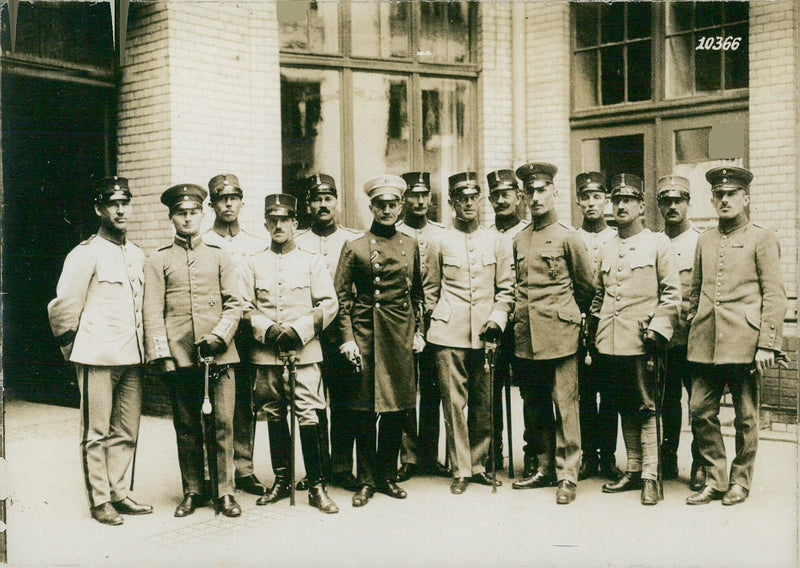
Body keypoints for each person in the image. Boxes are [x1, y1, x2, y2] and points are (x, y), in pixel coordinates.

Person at [48, 176, 153, 526]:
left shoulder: (137, 254)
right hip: (97, 356)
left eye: (125, 203)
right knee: (96, 432)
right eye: (112, 203)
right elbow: (64, 306)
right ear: (99, 209)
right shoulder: (87, 253)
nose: (121, 210)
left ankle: (120, 493)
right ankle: (99, 500)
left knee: (127, 430)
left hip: (131, 357)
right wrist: (75, 350)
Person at [685, 166, 787, 506]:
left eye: (731, 194)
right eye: (719, 195)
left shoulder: (762, 237)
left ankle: (740, 482)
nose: (725, 199)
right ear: (713, 200)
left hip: (745, 343)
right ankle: (715, 477)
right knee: (699, 411)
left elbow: (774, 294)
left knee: (746, 418)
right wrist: (691, 318)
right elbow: (695, 290)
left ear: (746, 198)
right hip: (705, 341)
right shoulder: (705, 239)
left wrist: (767, 344)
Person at [143, 183, 243, 518]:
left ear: (203, 214)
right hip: (180, 357)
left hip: (219, 355)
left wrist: (219, 336)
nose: (187, 219)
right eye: (181, 213)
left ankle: (225, 491)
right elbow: (152, 312)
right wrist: (163, 355)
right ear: (172, 218)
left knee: (222, 424)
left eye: (193, 212)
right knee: (186, 426)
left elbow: (234, 305)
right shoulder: (158, 260)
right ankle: (193, 489)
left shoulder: (218, 255)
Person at [241, 193, 340, 514]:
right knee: (272, 412)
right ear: (266, 223)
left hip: (304, 353)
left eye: (285, 219)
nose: (279, 225)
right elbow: (243, 305)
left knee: (309, 414)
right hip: (267, 354)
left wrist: (297, 330)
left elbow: (328, 304)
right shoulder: (253, 263)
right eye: (273, 219)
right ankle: (282, 480)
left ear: (295, 223)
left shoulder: (312, 261)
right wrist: (268, 329)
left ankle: (316, 485)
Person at [334, 174, 426, 507]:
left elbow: (417, 294)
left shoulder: (410, 244)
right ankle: (366, 479)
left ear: (400, 206)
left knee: (395, 409)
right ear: (371, 207)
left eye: (392, 204)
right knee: (363, 410)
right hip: (366, 335)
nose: (387, 210)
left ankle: (386, 475)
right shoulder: (355, 246)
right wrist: (347, 339)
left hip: (399, 335)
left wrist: (419, 332)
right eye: (381, 205)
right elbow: (340, 298)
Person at [590, 173, 681, 506]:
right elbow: (600, 295)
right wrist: (593, 332)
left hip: (645, 341)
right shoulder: (606, 246)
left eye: (628, 200)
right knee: (623, 405)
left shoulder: (658, 243)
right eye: (617, 200)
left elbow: (672, 295)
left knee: (646, 408)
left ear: (642, 206)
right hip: (610, 342)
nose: (621, 206)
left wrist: (657, 330)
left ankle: (650, 476)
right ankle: (632, 469)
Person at [509, 162, 594, 505]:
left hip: (560, 335)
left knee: (566, 406)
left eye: (542, 190)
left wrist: (572, 319)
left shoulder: (568, 236)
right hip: (527, 335)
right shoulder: (519, 238)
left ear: (554, 193)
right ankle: (543, 467)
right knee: (535, 406)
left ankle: (568, 473)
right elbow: (518, 286)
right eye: (530, 191)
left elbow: (586, 285)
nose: (536, 197)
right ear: (524, 196)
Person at [426, 172, 514, 495]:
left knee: (484, 402)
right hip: (448, 333)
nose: (467, 203)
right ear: (451, 203)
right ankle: (460, 467)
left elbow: (506, 289)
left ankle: (478, 464)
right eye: (460, 198)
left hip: (486, 332)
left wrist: (497, 320)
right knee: (453, 403)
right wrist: (433, 325)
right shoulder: (440, 241)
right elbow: (431, 289)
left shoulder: (496, 241)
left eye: (472, 197)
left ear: (480, 201)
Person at [295, 173, 362, 491]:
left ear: (336, 202)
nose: (323, 205)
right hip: (308, 334)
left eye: (328, 199)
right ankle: (317, 468)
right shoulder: (297, 241)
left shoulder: (351, 239)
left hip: (341, 333)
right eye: (316, 199)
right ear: (308, 205)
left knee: (344, 401)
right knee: (312, 402)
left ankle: (341, 467)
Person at [203, 173, 266, 497]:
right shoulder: (203, 242)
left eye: (234, 197)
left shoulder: (255, 243)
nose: (228, 203)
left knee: (245, 402)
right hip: (216, 332)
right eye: (221, 198)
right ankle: (215, 472)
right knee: (215, 406)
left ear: (242, 202)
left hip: (246, 330)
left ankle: (244, 468)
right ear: (211, 203)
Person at [395, 171, 449, 481]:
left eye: (423, 195)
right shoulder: (395, 232)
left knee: (433, 390)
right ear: (404, 200)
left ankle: (430, 455)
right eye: (413, 195)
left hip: (437, 321)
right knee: (406, 389)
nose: (418, 200)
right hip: (403, 323)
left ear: (430, 197)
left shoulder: (441, 234)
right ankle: (409, 457)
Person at [574, 171, 622, 482]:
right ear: (578, 201)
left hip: (609, 324)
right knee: (584, 394)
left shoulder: (616, 238)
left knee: (612, 393)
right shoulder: (571, 236)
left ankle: (608, 455)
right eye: (585, 197)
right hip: (578, 325)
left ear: (605, 201)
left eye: (596, 197)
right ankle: (588, 455)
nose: (591, 203)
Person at [655, 175, 702, 488]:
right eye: (666, 201)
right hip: (664, 339)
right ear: (659, 205)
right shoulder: (655, 242)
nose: (672, 206)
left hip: (695, 337)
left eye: (678, 200)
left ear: (688, 203)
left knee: (698, 404)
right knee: (665, 402)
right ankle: (667, 457)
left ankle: (700, 463)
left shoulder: (700, 242)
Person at [486, 169, 529, 474]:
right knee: (490, 388)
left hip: (525, 323)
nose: (501, 200)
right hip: (493, 323)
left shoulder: (529, 231)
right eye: (496, 196)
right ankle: (492, 449)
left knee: (530, 389)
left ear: (518, 197)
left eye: (506, 194)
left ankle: (533, 452)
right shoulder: (485, 235)